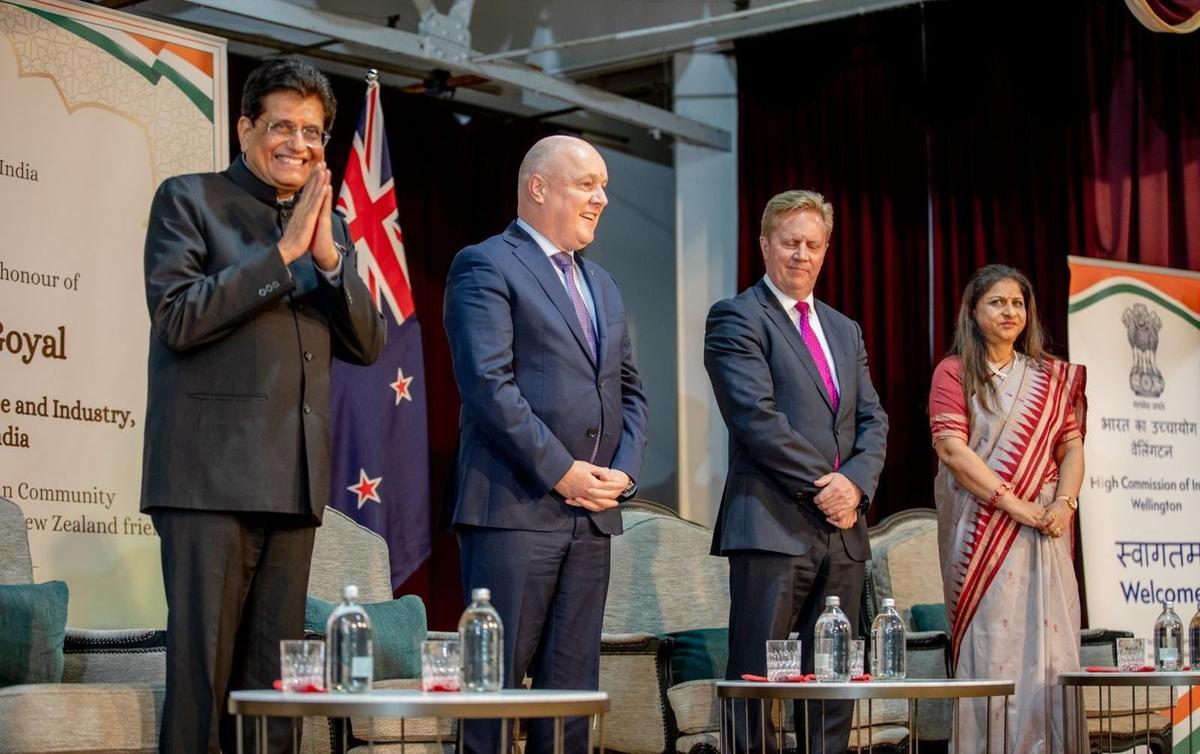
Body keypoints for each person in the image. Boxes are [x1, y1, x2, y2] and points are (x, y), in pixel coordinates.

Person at [141, 58, 385, 753]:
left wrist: (329, 260)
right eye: (282, 126)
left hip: (292, 482)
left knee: (276, 696)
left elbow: (367, 344)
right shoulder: (189, 199)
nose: (298, 144)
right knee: (202, 687)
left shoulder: (329, 226)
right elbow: (176, 318)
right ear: (245, 128)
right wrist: (283, 253)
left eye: (312, 132)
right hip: (207, 483)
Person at [443, 135, 649, 754]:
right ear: (538, 187)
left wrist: (623, 474)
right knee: (494, 693)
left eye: (604, 186)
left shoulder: (603, 284)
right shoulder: (486, 264)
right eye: (587, 184)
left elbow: (631, 392)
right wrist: (562, 471)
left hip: (592, 516)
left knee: (570, 697)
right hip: (513, 510)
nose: (601, 198)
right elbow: (488, 386)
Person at [704, 189, 888, 754]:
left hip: (843, 533)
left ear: (826, 250)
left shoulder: (844, 328)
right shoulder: (736, 316)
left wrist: (855, 484)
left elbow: (873, 418)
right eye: (789, 243)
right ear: (764, 245)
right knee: (756, 684)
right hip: (771, 526)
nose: (801, 255)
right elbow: (756, 419)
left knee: (831, 688)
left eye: (813, 244)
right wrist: (828, 486)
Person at [928, 264, 1086, 753]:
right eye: (997, 302)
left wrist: (1064, 503)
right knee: (992, 645)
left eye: (1018, 303)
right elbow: (952, 449)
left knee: (1053, 650)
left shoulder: (1049, 378)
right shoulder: (954, 372)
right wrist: (1017, 506)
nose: (1010, 312)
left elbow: (1072, 448)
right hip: (983, 531)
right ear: (973, 311)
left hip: (1045, 531)